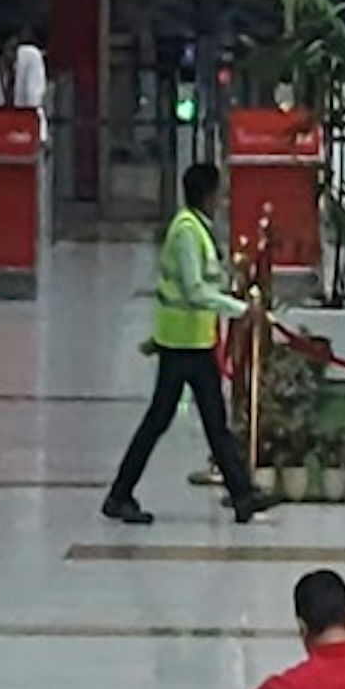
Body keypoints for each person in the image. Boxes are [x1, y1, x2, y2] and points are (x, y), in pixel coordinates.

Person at [104, 160, 269, 529]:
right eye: (219, 193)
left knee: (211, 421)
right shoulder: (186, 232)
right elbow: (195, 290)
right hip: (182, 345)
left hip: (193, 341)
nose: (222, 200)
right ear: (208, 195)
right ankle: (119, 494)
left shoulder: (197, 229)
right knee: (165, 421)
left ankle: (243, 495)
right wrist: (241, 310)